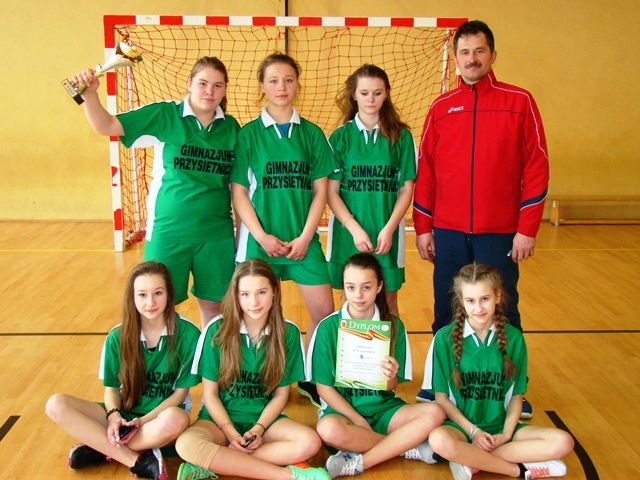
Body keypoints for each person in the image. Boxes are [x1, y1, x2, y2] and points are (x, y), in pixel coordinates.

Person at [413, 20, 550, 417]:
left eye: (479, 51)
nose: (471, 59)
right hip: (449, 231)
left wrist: (526, 229)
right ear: (455, 58)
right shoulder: (441, 108)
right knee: (446, 308)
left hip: (500, 232)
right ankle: (440, 386)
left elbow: (537, 167)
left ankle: (511, 392)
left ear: (492, 55)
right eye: (464, 52)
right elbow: (426, 171)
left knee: (503, 308)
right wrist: (423, 227)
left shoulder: (519, 102)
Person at [73, 56, 240, 329]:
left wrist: (239, 236)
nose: (210, 91)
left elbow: (237, 187)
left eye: (217, 85)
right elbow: (107, 126)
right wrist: (90, 96)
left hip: (215, 234)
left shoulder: (231, 128)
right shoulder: (165, 115)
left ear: (224, 90)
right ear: (189, 84)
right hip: (168, 231)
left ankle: (210, 357)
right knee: (157, 309)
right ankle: (164, 356)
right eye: (203, 83)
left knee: (216, 309)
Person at [231, 52, 336, 407]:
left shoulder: (312, 134)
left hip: (303, 242)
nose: (281, 87)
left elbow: (321, 191)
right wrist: (261, 237)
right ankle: (261, 377)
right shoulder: (248, 135)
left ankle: (308, 376)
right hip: (260, 243)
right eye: (274, 80)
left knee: (324, 314)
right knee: (256, 314)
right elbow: (239, 193)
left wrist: (306, 236)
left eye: (289, 80)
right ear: (262, 85)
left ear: (297, 85)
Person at [174, 258, 330, 480]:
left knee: (310, 442)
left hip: (264, 420)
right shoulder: (216, 330)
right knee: (186, 444)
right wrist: (230, 432)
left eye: (261, 292)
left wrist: (258, 428)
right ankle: (287, 476)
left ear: (274, 292)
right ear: (235, 296)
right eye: (245, 294)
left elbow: (281, 395)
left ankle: (215, 463)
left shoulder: (288, 333)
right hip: (219, 421)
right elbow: (210, 395)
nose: (254, 302)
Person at [45, 261, 202, 480]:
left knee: (177, 419)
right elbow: (111, 389)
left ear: (169, 295)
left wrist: (142, 421)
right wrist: (114, 416)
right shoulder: (118, 336)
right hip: (123, 416)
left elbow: (179, 395)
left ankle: (101, 447)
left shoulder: (188, 334)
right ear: (132, 297)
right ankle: (134, 459)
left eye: (158, 293)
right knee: (56, 404)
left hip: (159, 419)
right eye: (142, 295)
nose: (150, 302)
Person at [426, 263, 574, 479]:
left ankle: (470, 459)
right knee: (438, 440)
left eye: (485, 299)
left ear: (497, 296)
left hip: (501, 427)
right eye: (471, 301)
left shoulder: (514, 338)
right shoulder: (444, 339)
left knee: (564, 441)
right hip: (461, 429)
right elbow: (442, 399)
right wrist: (474, 432)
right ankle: (519, 470)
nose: (478, 308)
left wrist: (505, 434)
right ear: (461, 301)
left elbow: (516, 397)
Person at [307, 253, 446, 478]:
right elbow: (323, 388)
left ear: (379, 286)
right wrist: (357, 420)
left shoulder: (393, 326)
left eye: (366, 287)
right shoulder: (328, 327)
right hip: (343, 413)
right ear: (343, 287)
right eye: (351, 287)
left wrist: (390, 376)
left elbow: (391, 387)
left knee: (435, 412)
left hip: (384, 410)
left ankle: (361, 460)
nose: (358, 295)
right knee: (327, 429)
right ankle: (406, 447)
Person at [326, 64, 416, 317]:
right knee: (351, 304)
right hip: (348, 235)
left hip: (386, 233)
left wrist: (389, 229)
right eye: (364, 93)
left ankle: (393, 346)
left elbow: (406, 190)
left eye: (377, 93)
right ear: (354, 95)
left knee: (388, 304)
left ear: (386, 93)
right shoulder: (339, 138)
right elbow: (331, 192)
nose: (371, 99)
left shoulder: (401, 137)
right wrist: (354, 229)